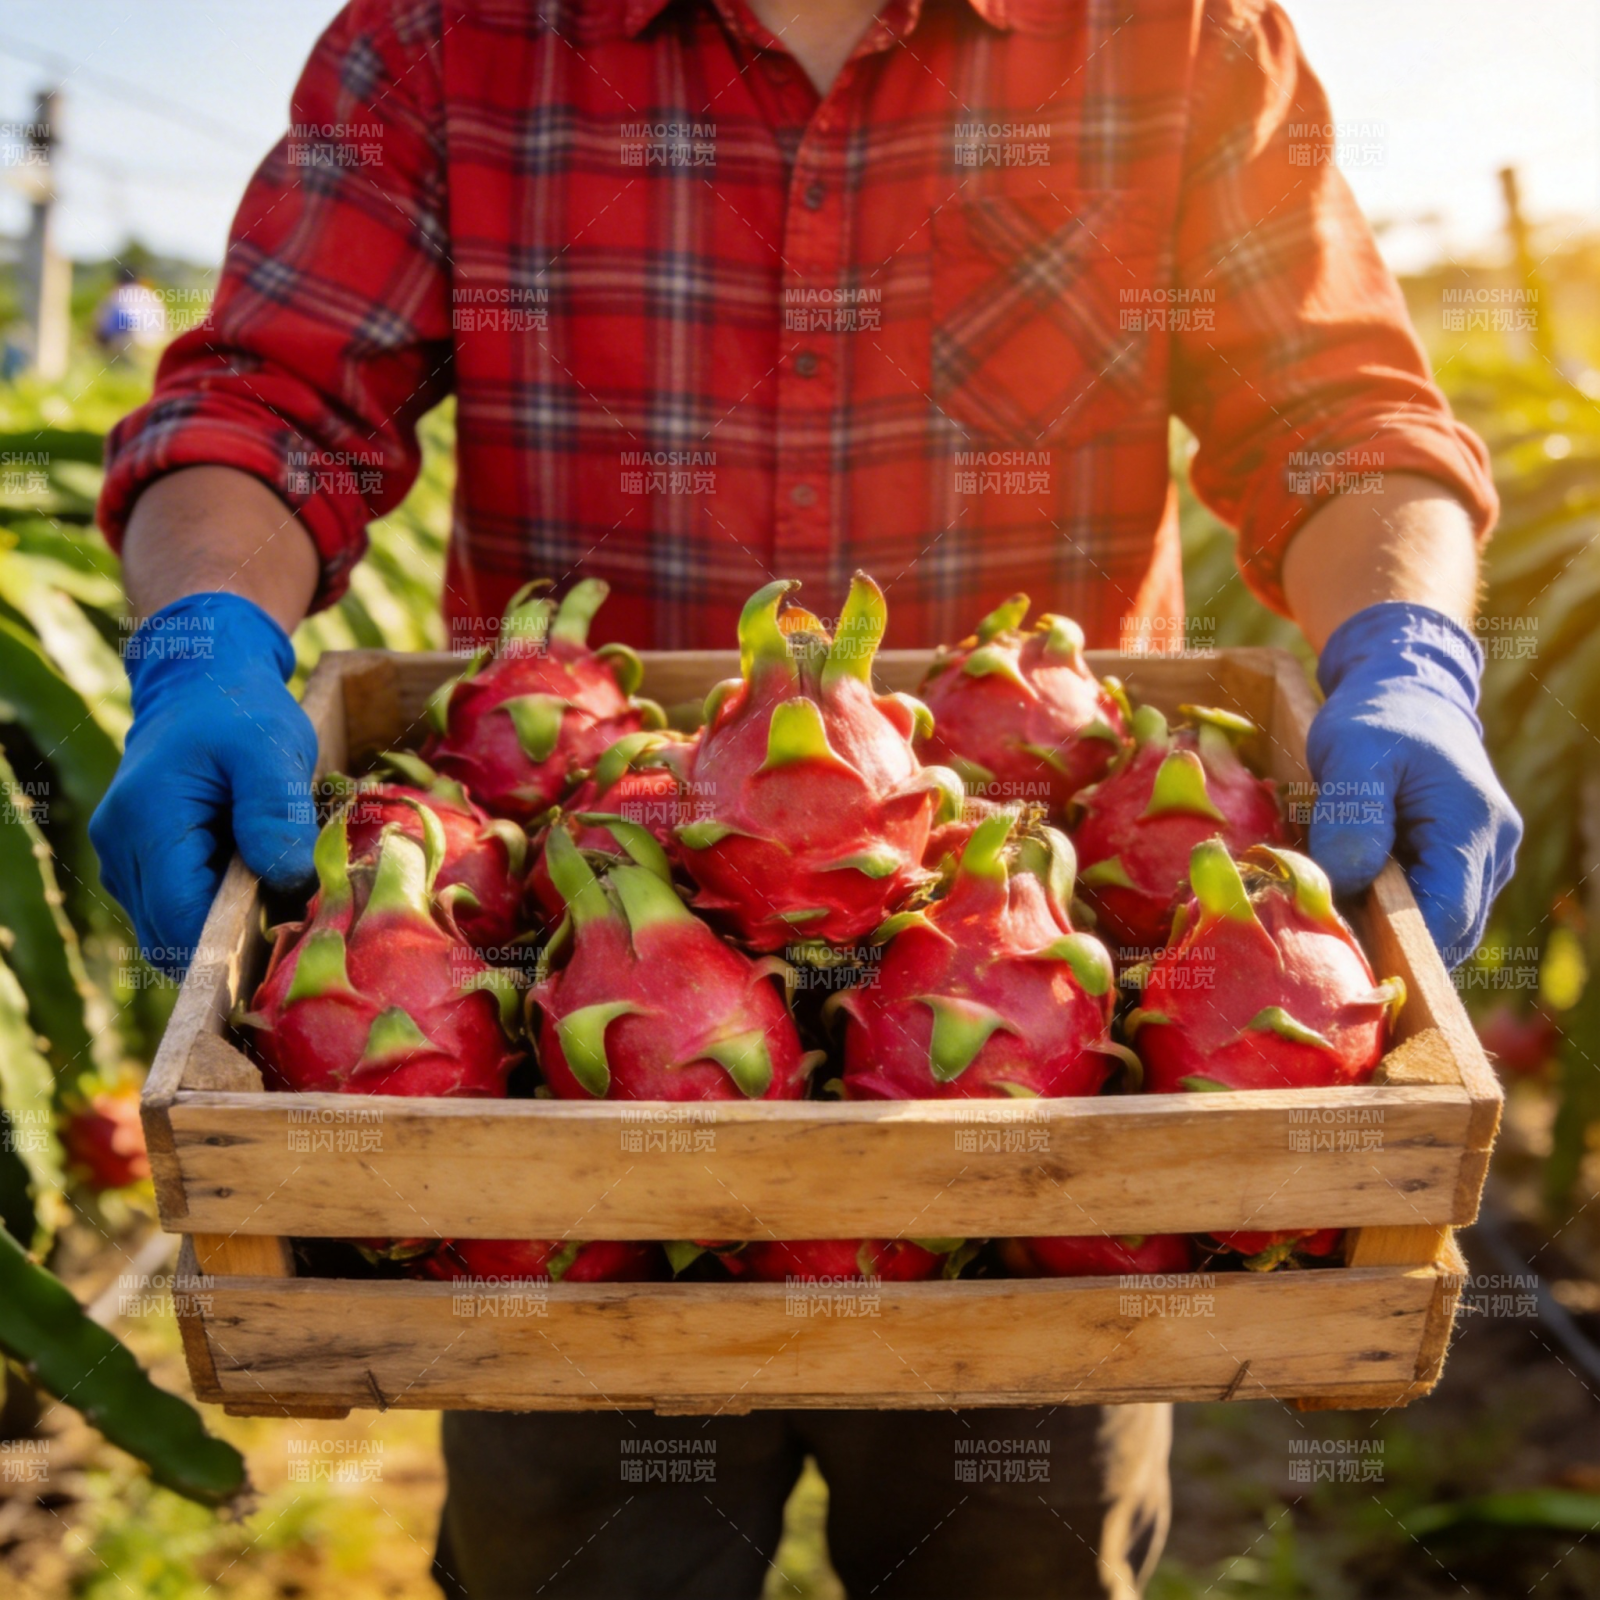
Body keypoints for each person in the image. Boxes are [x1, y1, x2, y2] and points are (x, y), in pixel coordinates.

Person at [91, 1, 1521, 1594]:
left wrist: (1408, 648)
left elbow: (1333, 413)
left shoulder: (1175, 33)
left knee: (1014, 1568)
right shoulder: (446, 35)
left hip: (1054, 1152)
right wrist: (205, 641)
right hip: (558, 1137)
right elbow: (268, 404)